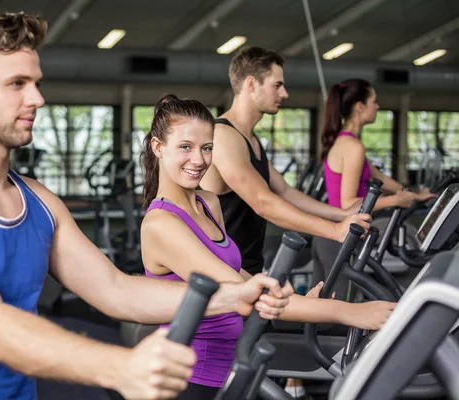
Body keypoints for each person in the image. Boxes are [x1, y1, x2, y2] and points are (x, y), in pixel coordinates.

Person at [0, 12, 292, 400]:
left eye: (36, 82)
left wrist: (235, 294)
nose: (37, 97)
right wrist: (121, 366)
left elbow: (116, 289)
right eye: (17, 84)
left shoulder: (37, 201)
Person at [140, 94, 394, 398]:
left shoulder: (208, 202)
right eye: (186, 147)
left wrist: (306, 303)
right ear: (158, 147)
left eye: (207, 148)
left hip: (234, 365)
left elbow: (241, 277)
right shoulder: (162, 224)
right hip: (193, 378)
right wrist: (348, 312)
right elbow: (239, 288)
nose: (199, 160)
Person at [199, 46, 395, 399]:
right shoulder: (224, 136)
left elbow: (285, 192)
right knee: (247, 378)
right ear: (250, 84)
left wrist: (341, 214)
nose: (285, 93)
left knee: (262, 372)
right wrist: (333, 230)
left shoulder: (251, 140)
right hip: (225, 278)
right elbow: (263, 203)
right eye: (277, 85)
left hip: (250, 271)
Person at [321, 78, 436, 212]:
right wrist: (395, 200)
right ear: (360, 107)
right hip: (349, 228)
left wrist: (414, 195)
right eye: (374, 101)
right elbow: (347, 204)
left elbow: (379, 177)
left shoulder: (346, 142)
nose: (377, 106)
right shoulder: (352, 147)